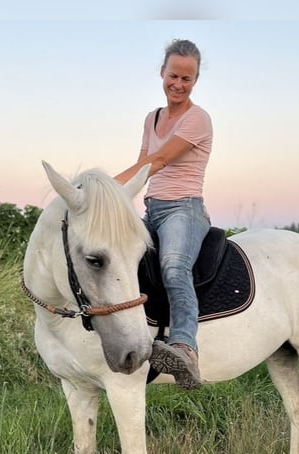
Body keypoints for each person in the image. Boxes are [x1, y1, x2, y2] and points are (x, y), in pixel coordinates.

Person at [115, 39, 213, 390]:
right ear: (162, 73)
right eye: (173, 75)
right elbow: (143, 163)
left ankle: (186, 345)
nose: (179, 84)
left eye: (187, 79)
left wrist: (107, 187)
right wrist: (117, 198)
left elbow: (158, 162)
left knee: (173, 265)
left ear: (195, 80)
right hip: (152, 208)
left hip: (183, 209)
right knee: (115, 257)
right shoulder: (151, 118)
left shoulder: (197, 119)